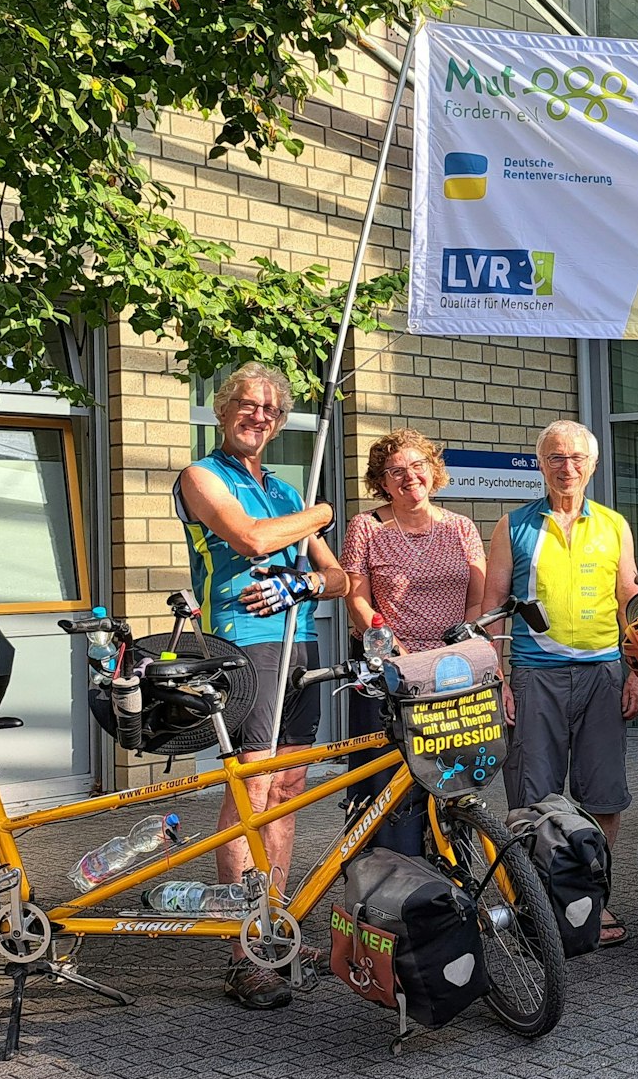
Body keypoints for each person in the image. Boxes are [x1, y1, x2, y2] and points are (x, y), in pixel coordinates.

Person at [174, 361, 347, 1009]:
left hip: (296, 645)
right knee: (251, 789)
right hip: (240, 648)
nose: (259, 416)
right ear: (223, 409)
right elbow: (247, 539)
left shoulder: (283, 492)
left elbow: (342, 579)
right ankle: (243, 950)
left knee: (290, 787)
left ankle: (273, 924)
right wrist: (324, 510)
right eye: (248, 404)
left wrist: (303, 582)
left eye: (271, 410)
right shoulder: (201, 476)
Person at [486, 420, 638, 949]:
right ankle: (538, 906)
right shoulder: (514, 525)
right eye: (556, 457)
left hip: (603, 672)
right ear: (541, 464)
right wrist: (498, 679)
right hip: (535, 674)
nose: (567, 467)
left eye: (577, 458)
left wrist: (637, 671)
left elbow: (630, 601)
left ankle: (590, 902)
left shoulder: (614, 525)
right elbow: (493, 609)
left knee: (603, 794)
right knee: (532, 795)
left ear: (592, 466)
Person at [341, 429, 487, 855]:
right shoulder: (365, 527)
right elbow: (356, 596)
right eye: (395, 472)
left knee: (450, 769)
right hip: (388, 669)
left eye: (417, 466)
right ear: (382, 482)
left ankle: (451, 864)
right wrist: (392, 651)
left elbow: (476, 597)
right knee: (387, 773)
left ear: (432, 470)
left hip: (450, 668)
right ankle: (388, 866)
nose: (409, 477)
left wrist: (462, 648)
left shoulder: (461, 527)